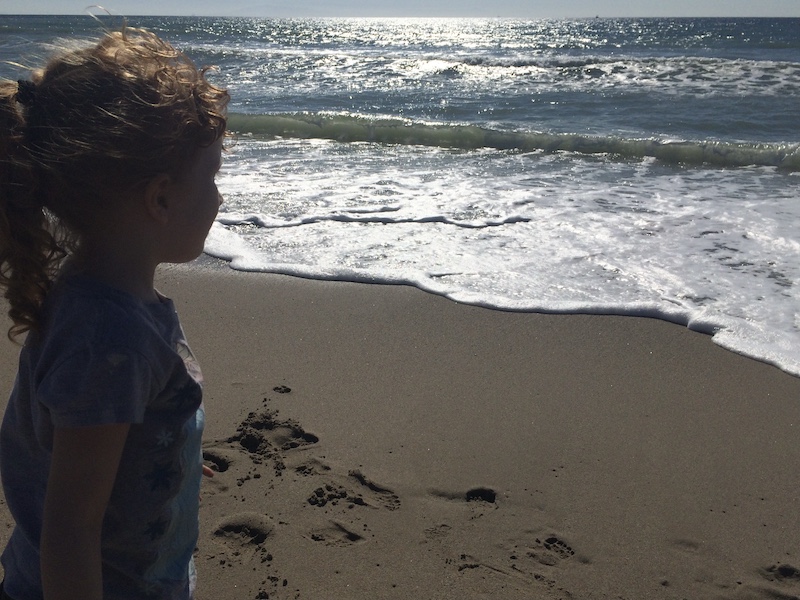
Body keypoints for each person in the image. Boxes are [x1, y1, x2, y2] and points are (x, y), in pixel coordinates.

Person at [0, 25, 229, 600]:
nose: (220, 197)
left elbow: (90, 442)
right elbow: (70, 535)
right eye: (213, 177)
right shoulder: (111, 337)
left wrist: (162, 453)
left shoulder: (101, 297)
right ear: (160, 197)